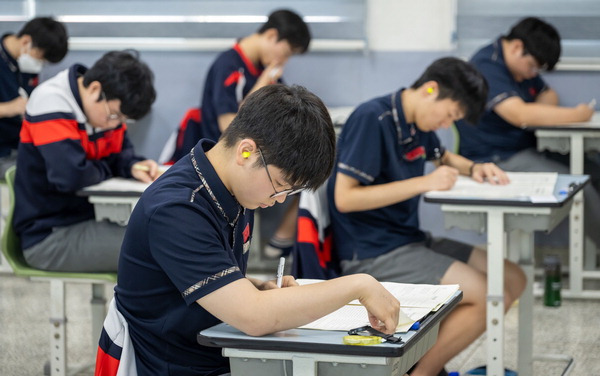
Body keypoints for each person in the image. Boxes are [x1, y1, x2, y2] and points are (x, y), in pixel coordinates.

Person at [112, 84, 400, 375]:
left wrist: (253, 288)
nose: (281, 199)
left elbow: (194, 283)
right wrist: (357, 285)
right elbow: (253, 316)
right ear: (246, 152)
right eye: (280, 185)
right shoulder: (176, 209)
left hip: (224, 351)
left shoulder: (233, 188)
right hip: (181, 367)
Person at [328, 57, 526, 376]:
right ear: (430, 90)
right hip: (372, 252)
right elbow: (344, 197)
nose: (446, 125)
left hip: (410, 240)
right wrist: (424, 182)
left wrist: (474, 168)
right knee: (490, 295)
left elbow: (443, 156)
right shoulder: (373, 118)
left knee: (513, 277)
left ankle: (424, 358)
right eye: (450, 115)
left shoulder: (417, 123)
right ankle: (420, 373)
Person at [169, 9, 312, 257]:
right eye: (286, 53)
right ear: (271, 35)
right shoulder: (230, 66)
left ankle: (280, 243)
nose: (283, 62)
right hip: (228, 161)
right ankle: (273, 246)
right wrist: (263, 83)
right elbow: (231, 129)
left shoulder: (265, 70)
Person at [455, 16, 600, 249]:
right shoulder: (486, 66)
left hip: (524, 148)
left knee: (596, 168)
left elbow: (548, 94)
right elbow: (520, 115)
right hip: (495, 158)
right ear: (516, 47)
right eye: (532, 66)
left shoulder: (518, 68)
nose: (533, 74)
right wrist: (578, 115)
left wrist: (538, 111)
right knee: (582, 188)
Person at [14, 50, 159, 272]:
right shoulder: (51, 101)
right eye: (115, 115)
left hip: (87, 220)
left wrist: (132, 166)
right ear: (94, 89)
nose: (116, 124)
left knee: (163, 234)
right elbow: (71, 176)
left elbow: (120, 155)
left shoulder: (105, 112)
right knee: (159, 249)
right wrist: (110, 167)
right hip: (49, 235)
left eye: (123, 120)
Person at [0, 16, 68, 176]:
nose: (40, 64)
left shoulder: (23, 64)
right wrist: (8, 108)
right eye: (40, 59)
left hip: (21, 145)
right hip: (3, 152)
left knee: (62, 164)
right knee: (44, 174)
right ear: (25, 42)